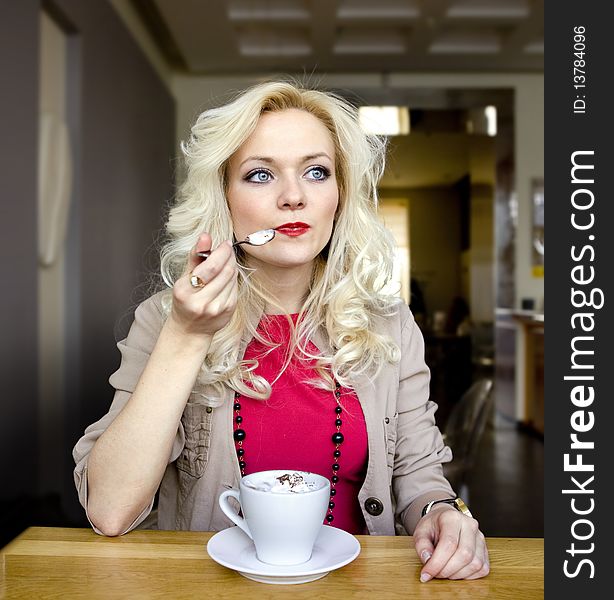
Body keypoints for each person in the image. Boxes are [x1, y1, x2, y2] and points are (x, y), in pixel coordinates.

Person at [73, 80, 489, 582]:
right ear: (224, 199)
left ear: (340, 195)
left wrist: (442, 514)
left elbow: (419, 475)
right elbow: (110, 511)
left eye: (316, 172)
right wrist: (186, 337)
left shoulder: (389, 326)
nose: (293, 197)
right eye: (260, 174)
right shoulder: (165, 321)